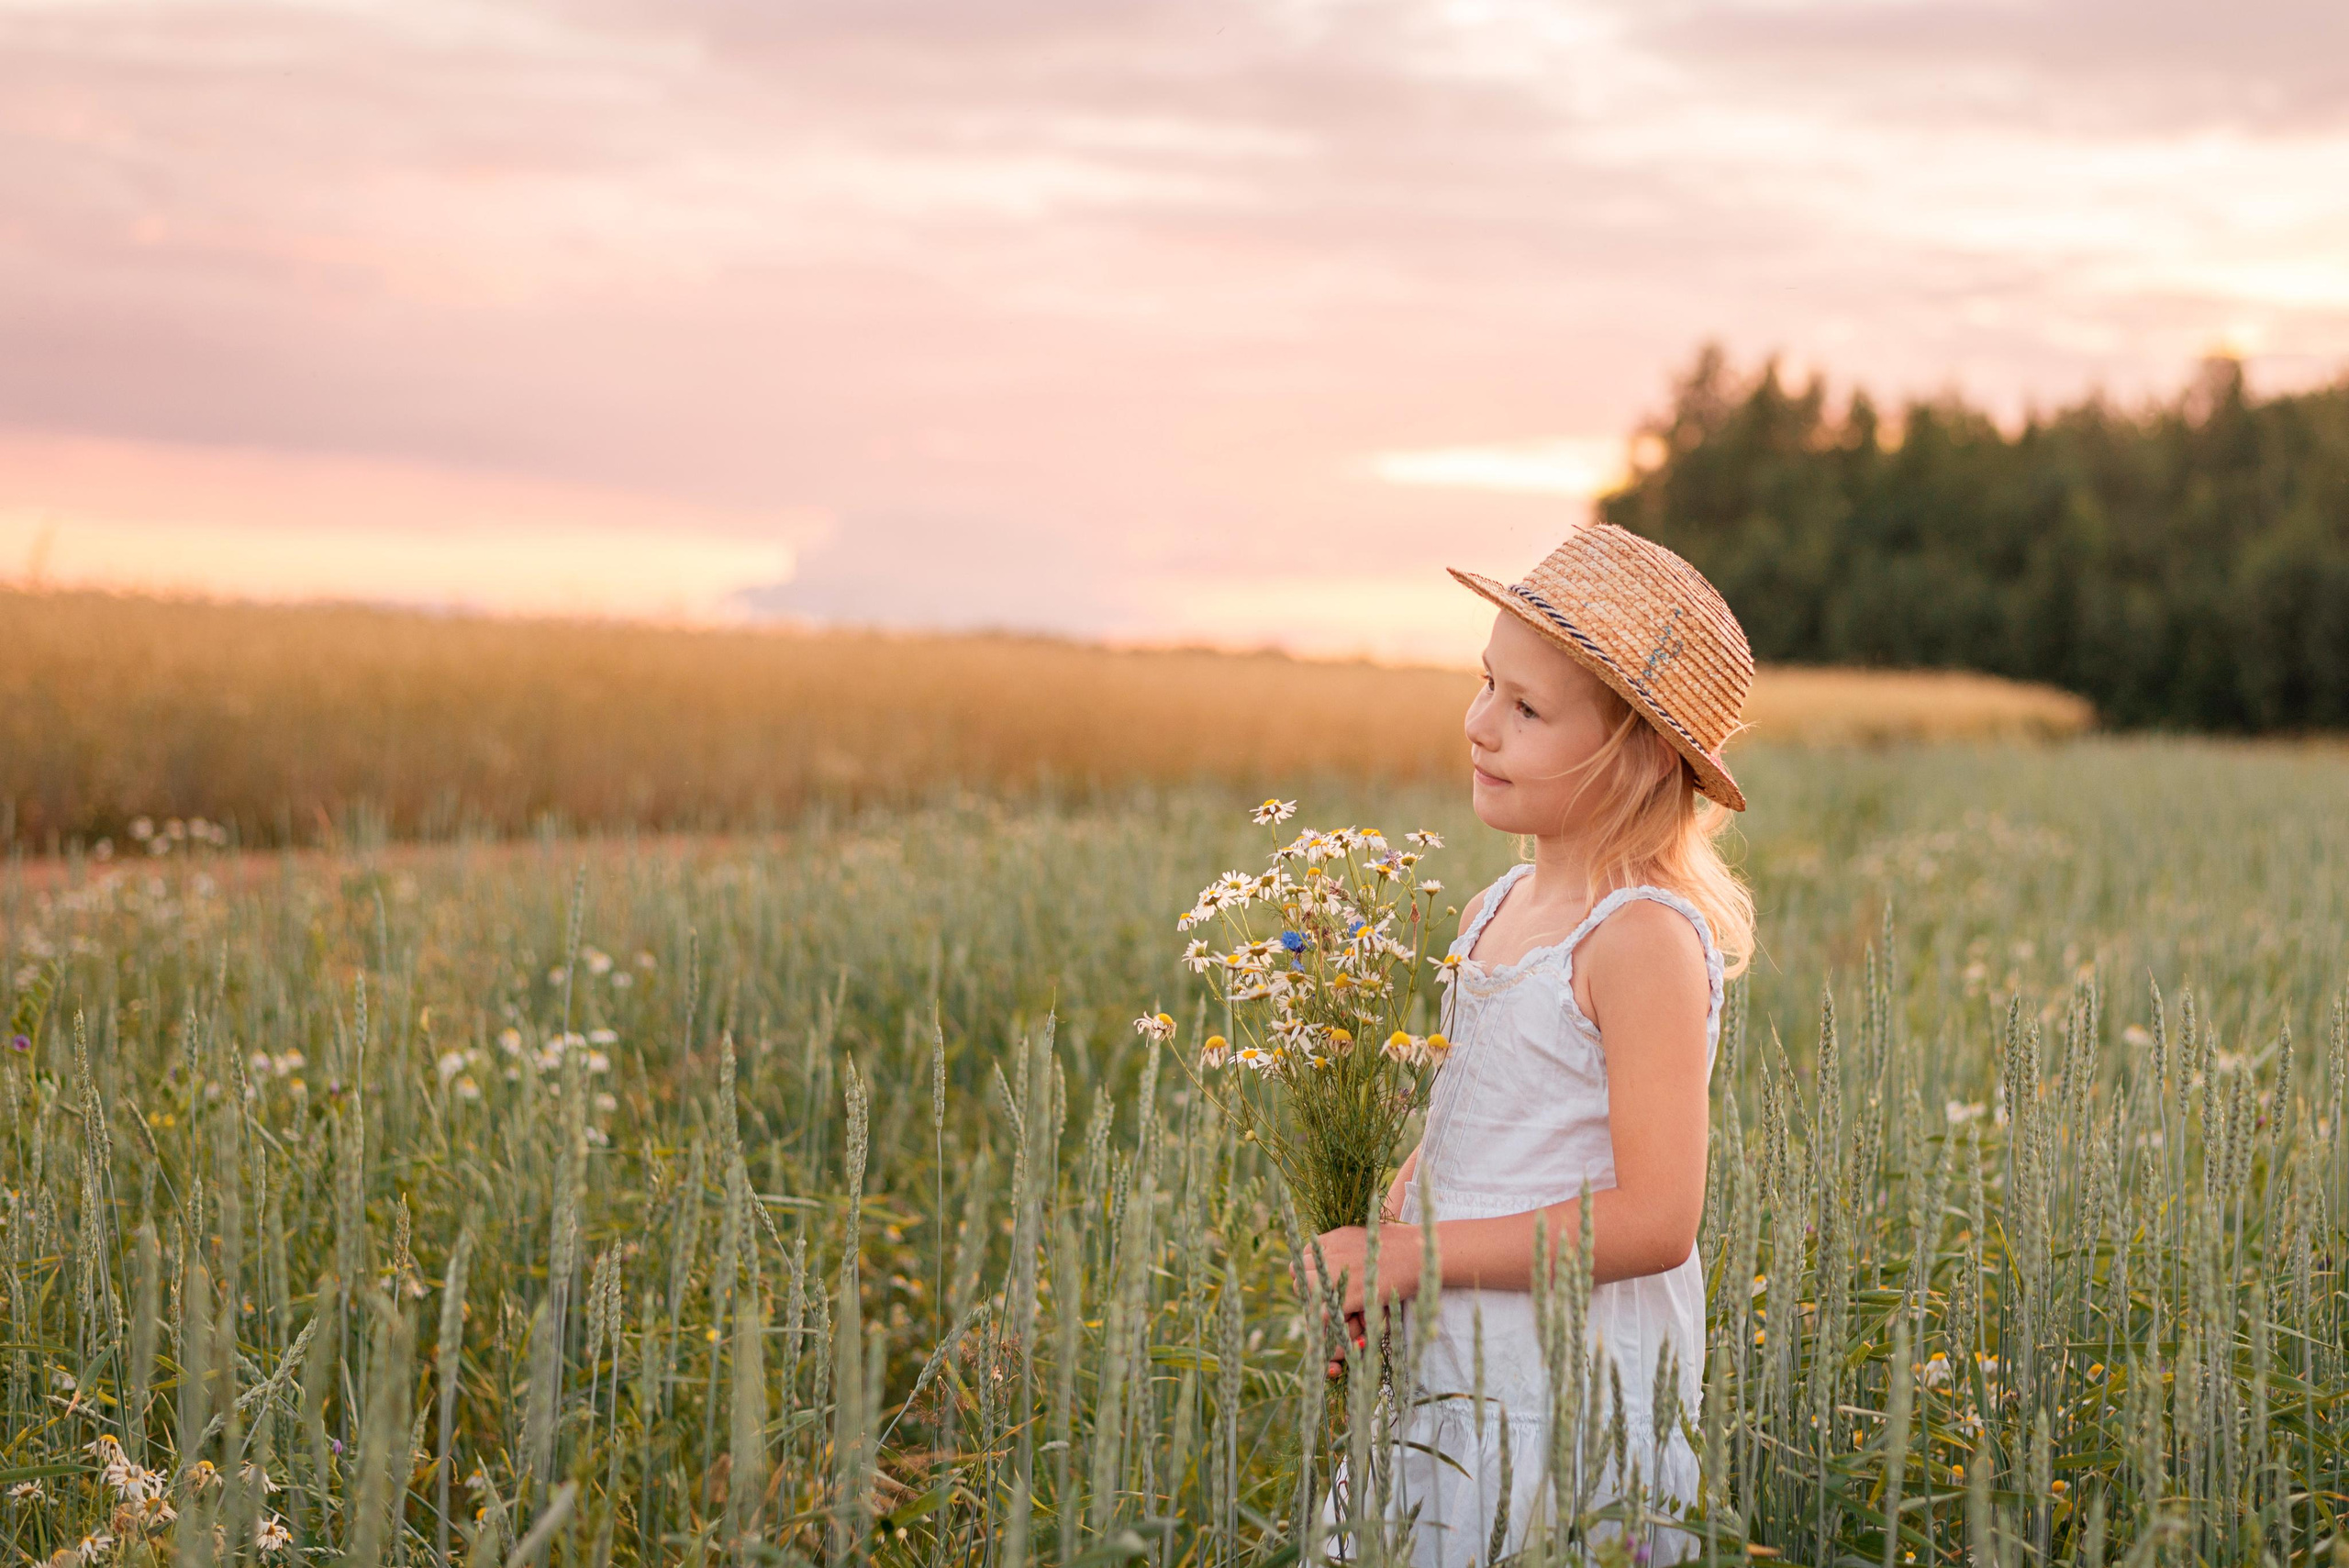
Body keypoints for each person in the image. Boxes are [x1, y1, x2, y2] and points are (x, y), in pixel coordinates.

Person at [1304, 521, 1756, 1566]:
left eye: (1527, 708)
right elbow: (1471, 1128)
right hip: (1457, 1358)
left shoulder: (1637, 936)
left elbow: (1655, 1217)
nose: (1480, 727)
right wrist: (1386, 1244)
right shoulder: (1490, 908)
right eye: (1483, 684)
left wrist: (1419, 1254)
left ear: (1638, 755)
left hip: (1562, 1382)